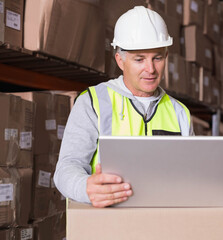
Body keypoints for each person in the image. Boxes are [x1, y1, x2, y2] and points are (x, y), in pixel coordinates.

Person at [54, 6, 193, 208]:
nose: (151, 69)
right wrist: (85, 187)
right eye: (139, 59)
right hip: (109, 225)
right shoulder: (93, 101)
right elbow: (66, 168)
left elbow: (191, 175)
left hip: (163, 222)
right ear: (120, 60)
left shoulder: (179, 112)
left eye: (158, 57)